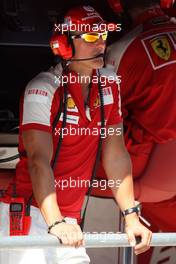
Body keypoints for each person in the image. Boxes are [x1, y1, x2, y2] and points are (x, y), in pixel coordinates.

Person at [0, 5, 152, 264]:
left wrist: (131, 216)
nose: (101, 44)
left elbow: (116, 156)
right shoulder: (43, 88)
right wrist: (55, 222)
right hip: (29, 216)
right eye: (91, 37)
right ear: (64, 44)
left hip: (68, 221)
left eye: (103, 35)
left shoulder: (108, 87)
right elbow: (39, 161)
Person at [105, 0, 176, 199]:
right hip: (165, 174)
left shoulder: (118, 51)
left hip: (146, 163)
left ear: (118, 6)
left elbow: (101, 113)